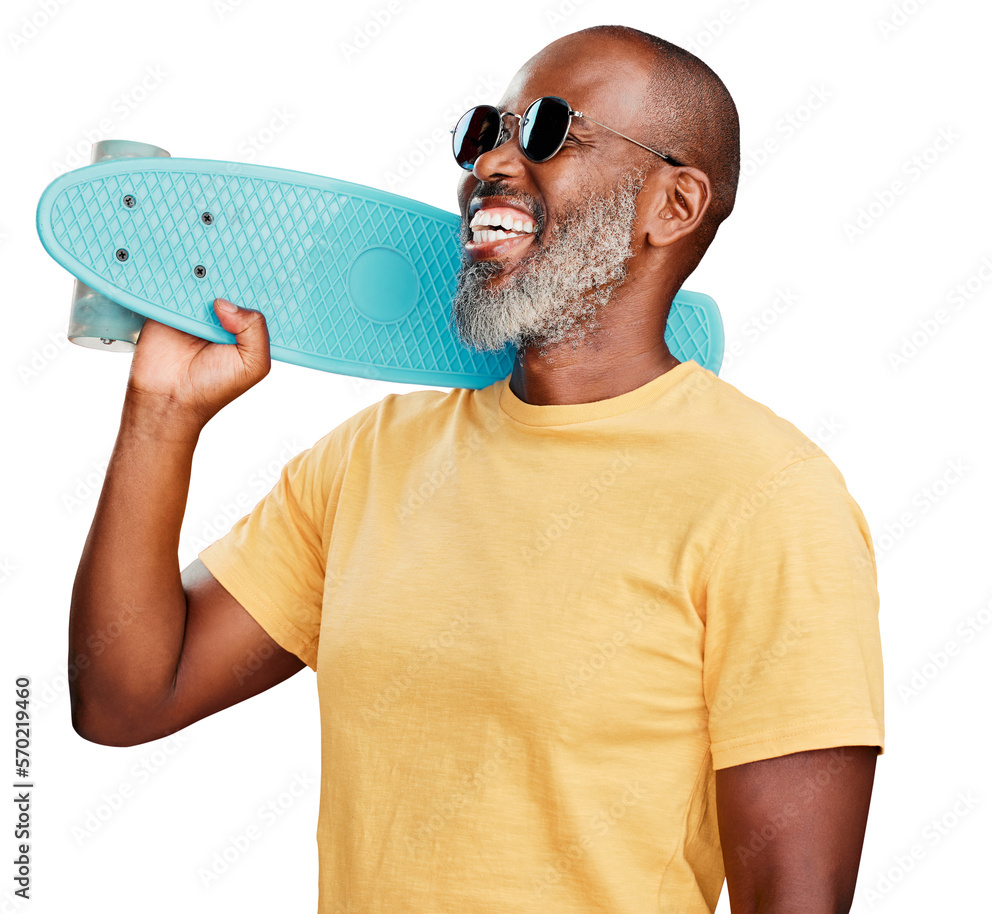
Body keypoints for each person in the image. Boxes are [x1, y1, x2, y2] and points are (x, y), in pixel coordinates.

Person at [69, 24, 884, 914]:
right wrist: (162, 414)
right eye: (483, 133)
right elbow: (123, 699)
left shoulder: (769, 499)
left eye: (545, 130)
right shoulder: (370, 458)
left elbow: (794, 900)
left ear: (674, 206)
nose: (490, 163)